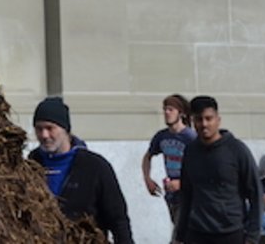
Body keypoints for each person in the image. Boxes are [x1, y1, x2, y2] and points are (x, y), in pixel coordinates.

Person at [27, 96, 134, 243]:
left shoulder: (95, 167)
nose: (44, 135)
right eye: (39, 129)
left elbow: (118, 220)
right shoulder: (29, 168)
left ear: (65, 129)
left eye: (50, 128)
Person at [173, 96, 261, 244]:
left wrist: (252, 237)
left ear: (218, 120)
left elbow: (256, 194)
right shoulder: (190, 152)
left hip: (230, 233)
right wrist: (179, 236)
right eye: (199, 119)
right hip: (196, 232)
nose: (204, 124)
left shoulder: (237, 150)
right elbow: (186, 195)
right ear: (194, 122)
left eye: (209, 118)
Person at [142, 93, 196, 224]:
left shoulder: (190, 137)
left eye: (171, 109)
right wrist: (148, 179)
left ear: (181, 113)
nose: (166, 112)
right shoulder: (162, 136)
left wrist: (181, 183)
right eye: (165, 109)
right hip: (172, 194)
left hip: (190, 195)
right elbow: (147, 156)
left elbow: (203, 166)